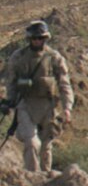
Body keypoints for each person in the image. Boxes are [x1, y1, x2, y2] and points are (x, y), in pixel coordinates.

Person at [2, 20, 74, 172]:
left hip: (48, 107)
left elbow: (64, 83)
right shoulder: (18, 57)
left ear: (45, 38)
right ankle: (32, 177)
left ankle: (45, 180)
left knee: (46, 146)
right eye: (34, 38)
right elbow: (11, 82)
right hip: (25, 105)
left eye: (40, 38)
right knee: (32, 143)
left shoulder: (54, 57)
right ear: (29, 39)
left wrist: (67, 107)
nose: (37, 41)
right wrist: (10, 102)